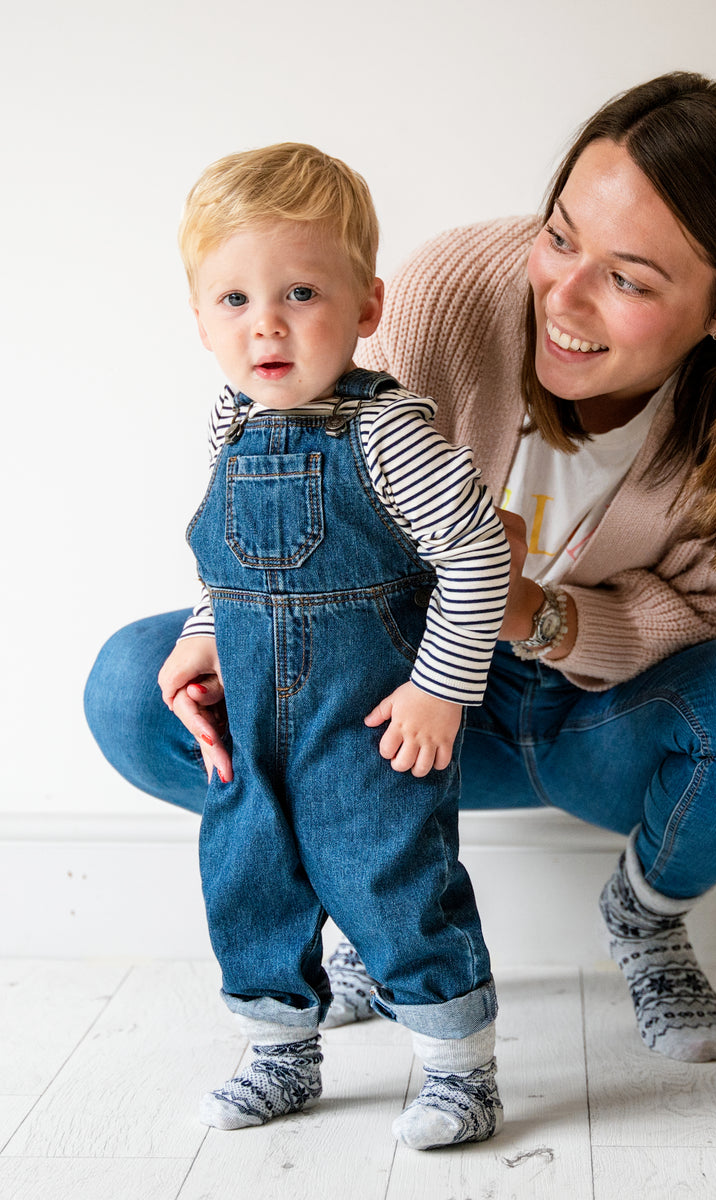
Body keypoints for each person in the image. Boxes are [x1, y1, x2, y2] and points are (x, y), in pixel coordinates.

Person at [86, 72, 716, 1070]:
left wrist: (539, 614)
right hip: (394, 704)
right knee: (136, 688)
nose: (565, 297)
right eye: (560, 237)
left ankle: (646, 917)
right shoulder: (451, 292)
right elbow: (270, 506)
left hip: (609, 716)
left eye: (628, 279)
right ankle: (369, 894)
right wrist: (217, 630)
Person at [164, 143, 510, 1148]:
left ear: (367, 307)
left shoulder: (385, 434)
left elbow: (477, 553)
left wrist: (439, 690)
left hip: (368, 727)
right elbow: (225, 567)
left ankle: (459, 1069)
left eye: (301, 291)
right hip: (253, 730)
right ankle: (281, 1053)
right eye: (231, 299)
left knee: (399, 887)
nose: (264, 322)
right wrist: (202, 638)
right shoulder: (230, 423)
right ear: (198, 320)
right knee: (249, 886)